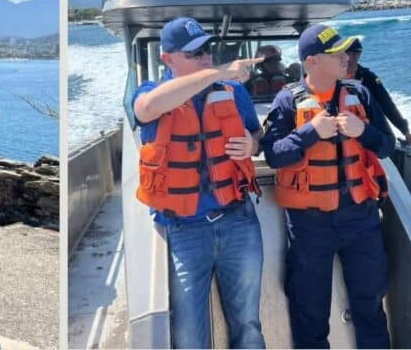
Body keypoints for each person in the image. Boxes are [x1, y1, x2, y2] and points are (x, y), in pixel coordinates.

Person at [132, 17, 265, 349]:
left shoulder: (233, 92)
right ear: (168, 59)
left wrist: (253, 144)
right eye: (194, 53)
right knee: (189, 334)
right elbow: (147, 110)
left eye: (207, 50)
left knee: (248, 325)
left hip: (239, 222)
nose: (205, 57)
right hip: (185, 230)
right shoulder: (149, 93)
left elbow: (257, 133)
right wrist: (219, 71)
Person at [263, 23, 394, 349]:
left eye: (346, 51)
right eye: (336, 52)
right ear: (312, 62)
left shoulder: (360, 95)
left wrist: (361, 131)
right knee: (309, 313)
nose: (345, 57)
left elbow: (387, 145)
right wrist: (310, 133)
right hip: (310, 227)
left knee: (370, 306)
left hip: (361, 219)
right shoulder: (286, 101)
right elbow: (274, 155)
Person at [345, 38, 411, 146]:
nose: (351, 57)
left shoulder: (369, 78)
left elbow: (387, 104)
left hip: (366, 133)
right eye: (348, 53)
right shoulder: (333, 76)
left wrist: (405, 131)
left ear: (360, 54)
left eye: (356, 53)